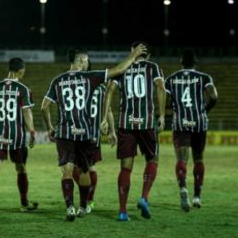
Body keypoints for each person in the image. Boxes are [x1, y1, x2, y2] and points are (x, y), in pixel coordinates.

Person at [41, 45, 146, 221]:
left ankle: (69, 208)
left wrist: (50, 127)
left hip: (65, 131)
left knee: (66, 172)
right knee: (84, 171)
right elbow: (119, 69)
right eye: (86, 59)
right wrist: (134, 55)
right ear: (82, 60)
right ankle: (83, 206)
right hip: (85, 132)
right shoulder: (90, 77)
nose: (88, 62)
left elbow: (44, 106)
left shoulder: (57, 80)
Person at [101, 41, 166, 221]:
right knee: (153, 158)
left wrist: (104, 118)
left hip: (125, 123)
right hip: (146, 122)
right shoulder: (153, 67)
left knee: (126, 168)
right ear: (149, 56)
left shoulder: (122, 68)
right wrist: (161, 116)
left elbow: (109, 91)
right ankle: (144, 197)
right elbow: (161, 87)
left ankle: (122, 211)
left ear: (132, 51)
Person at [0, 58, 37, 216]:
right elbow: (27, 112)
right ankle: (24, 202)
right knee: (21, 168)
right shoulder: (23, 88)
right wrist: (32, 132)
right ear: (21, 70)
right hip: (17, 135)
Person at [164, 49, 218, 211]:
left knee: (182, 159)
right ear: (196, 63)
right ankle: (197, 196)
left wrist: (172, 108)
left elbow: (166, 101)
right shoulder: (204, 78)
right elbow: (214, 96)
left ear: (181, 63)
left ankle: (183, 188)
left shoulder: (171, 79)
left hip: (180, 122)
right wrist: (204, 110)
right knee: (198, 158)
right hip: (199, 122)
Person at [72, 60, 117, 214]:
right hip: (94, 134)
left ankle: (87, 199)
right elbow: (109, 110)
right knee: (90, 167)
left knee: (74, 168)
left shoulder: (77, 85)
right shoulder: (101, 87)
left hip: (78, 133)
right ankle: (89, 200)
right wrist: (112, 131)